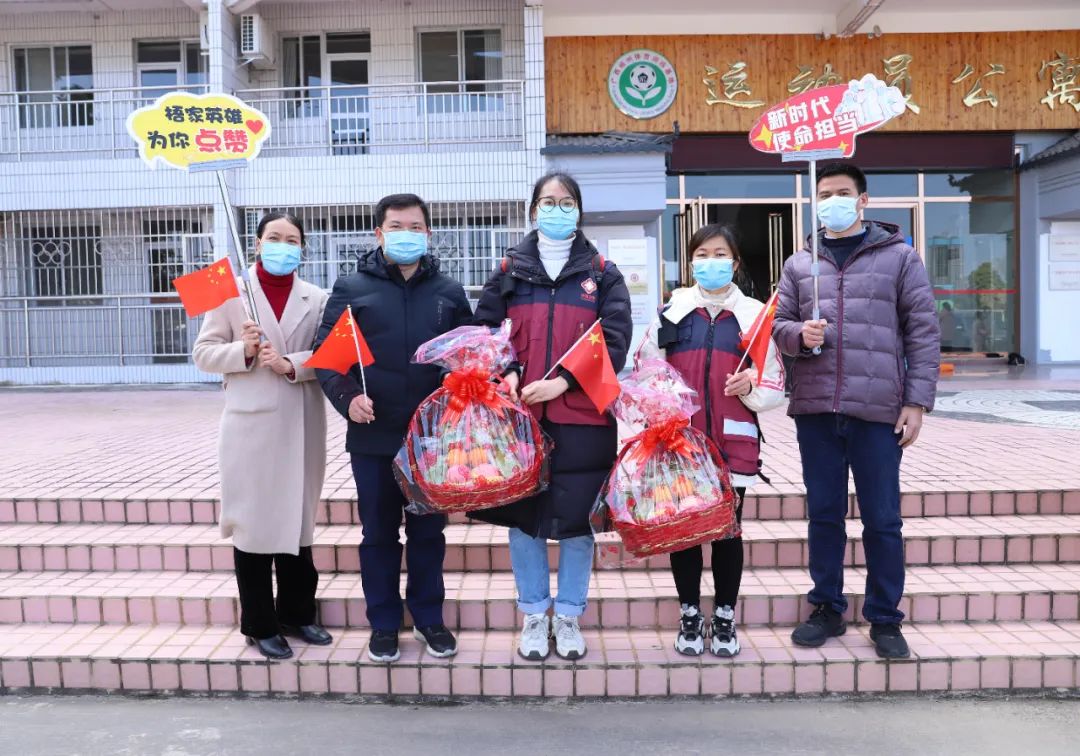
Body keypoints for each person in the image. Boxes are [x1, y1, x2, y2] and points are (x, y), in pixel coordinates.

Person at [773, 163, 940, 659]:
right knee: (824, 515)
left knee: (882, 519)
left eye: (843, 193)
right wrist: (799, 335)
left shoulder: (901, 258)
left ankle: (885, 617)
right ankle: (827, 607)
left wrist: (916, 401)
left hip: (878, 410)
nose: (833, 202)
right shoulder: (800, 264)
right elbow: (779, 325)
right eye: (825, 194)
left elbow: (923, 331)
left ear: (863, 200)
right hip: (816, 408)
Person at [472, 172, 632, 661]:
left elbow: (615, 340)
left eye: (566, 202)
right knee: (525, 521)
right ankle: (534, 614)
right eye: (548, 201)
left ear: (579, 211)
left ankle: (569, 615)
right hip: (521, 418)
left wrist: (564, 381)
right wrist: (507, 372)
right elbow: (487, 331)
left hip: (584, 417)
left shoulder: (603, 274)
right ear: (533, 210)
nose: (557, 209)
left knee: (579, 522)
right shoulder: (509, 271)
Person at [315, 193, 472, 664]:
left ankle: (428, 619)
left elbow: (465, 356)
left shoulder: (448, 292)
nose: (407, 235)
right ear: (379, 233)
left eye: (416, 227)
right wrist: (348, 399)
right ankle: (383, 624)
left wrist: (461, 388)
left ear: (429, 233)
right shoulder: (351, 288)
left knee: (428, 535)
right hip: (373, 436)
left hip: (432, 439)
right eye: (397, 227)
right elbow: (328, 358)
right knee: (379, 535)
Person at [637, 223, 785, 657]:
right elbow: (646, 368)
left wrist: (750, 385)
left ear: (735, 264)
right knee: (683, 531)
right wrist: (661, 402)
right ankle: (689, 613)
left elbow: (775, 381)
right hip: (681, 441)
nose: (710, 262)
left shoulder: (756, 316)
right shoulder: (672, 312)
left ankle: (724, 615)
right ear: (691, 262)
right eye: (702, 255)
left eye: (720, 254)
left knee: (726, 531)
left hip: (733, 440)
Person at [192, 212, 331, 660]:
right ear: (256, 243)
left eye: (292, 240)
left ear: (302, 248)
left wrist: (291, 364)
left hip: (302, 420)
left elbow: (331, 354)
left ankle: (298, 614)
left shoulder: (317, 297)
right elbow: (203, 353)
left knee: (297, 519)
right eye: (274, 237)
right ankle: (259, 623)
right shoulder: (228, 290)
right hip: (250, 425)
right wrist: (245, 350)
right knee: (253, 524)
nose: (282, 246)